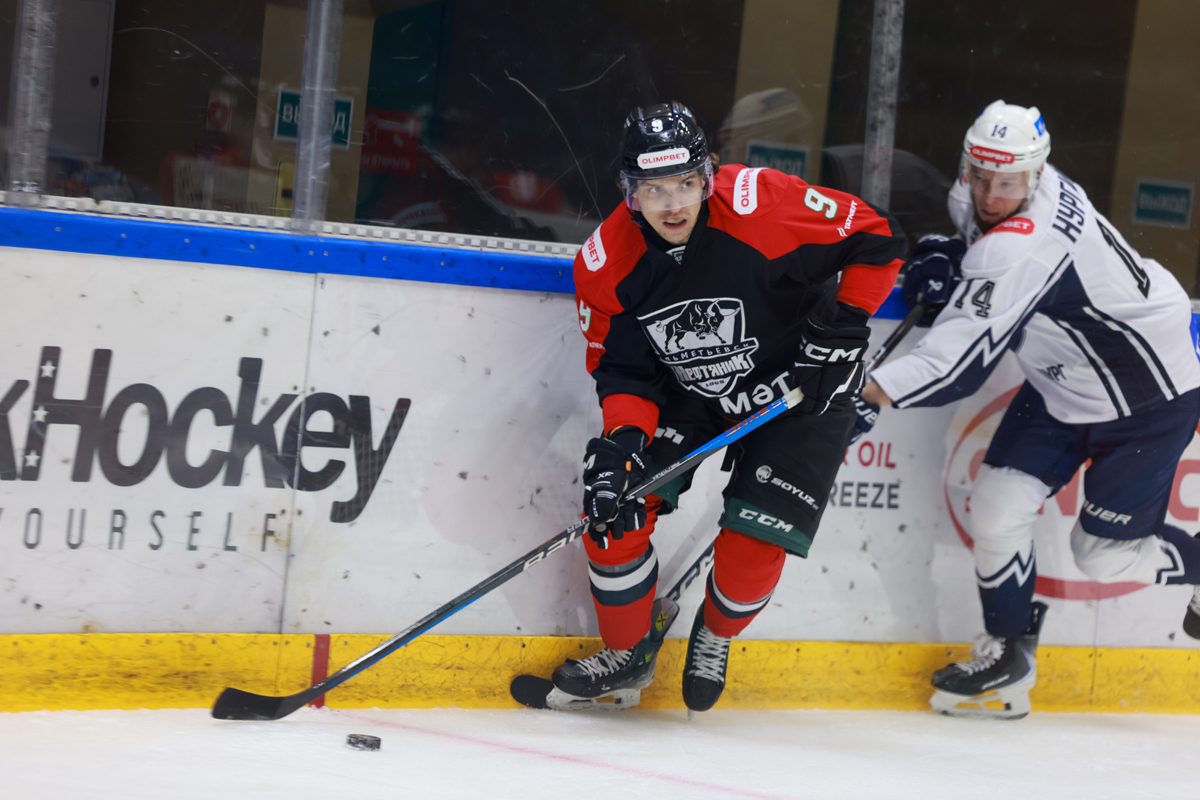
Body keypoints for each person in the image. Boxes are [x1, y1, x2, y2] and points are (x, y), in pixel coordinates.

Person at [550, 101, 906, 713]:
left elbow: (877, 239)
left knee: (754, 546)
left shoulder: (762, 202)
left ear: (708, 176)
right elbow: (626, 371)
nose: (673, 205)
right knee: (615, 512)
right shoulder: (606, 262)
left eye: (685, 184)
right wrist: (624, 442)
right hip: (690, 394)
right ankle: (628, 657)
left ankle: (715, 634)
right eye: (654, 189)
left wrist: (845, 326)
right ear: (629, 192)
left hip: (803, 387)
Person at [860, 100, 1200, 720]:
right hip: (1064, 381)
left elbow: (958, 366)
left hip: (1148, 392)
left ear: (1037, 174)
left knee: (1101, 555)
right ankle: (1009, 653)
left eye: (1008, 183)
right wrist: (948, 251)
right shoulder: (994, 195)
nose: (991, 195)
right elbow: (984, 260)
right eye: (980, 176)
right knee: (996, 505)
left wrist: (864, 391)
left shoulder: (1027, 242)